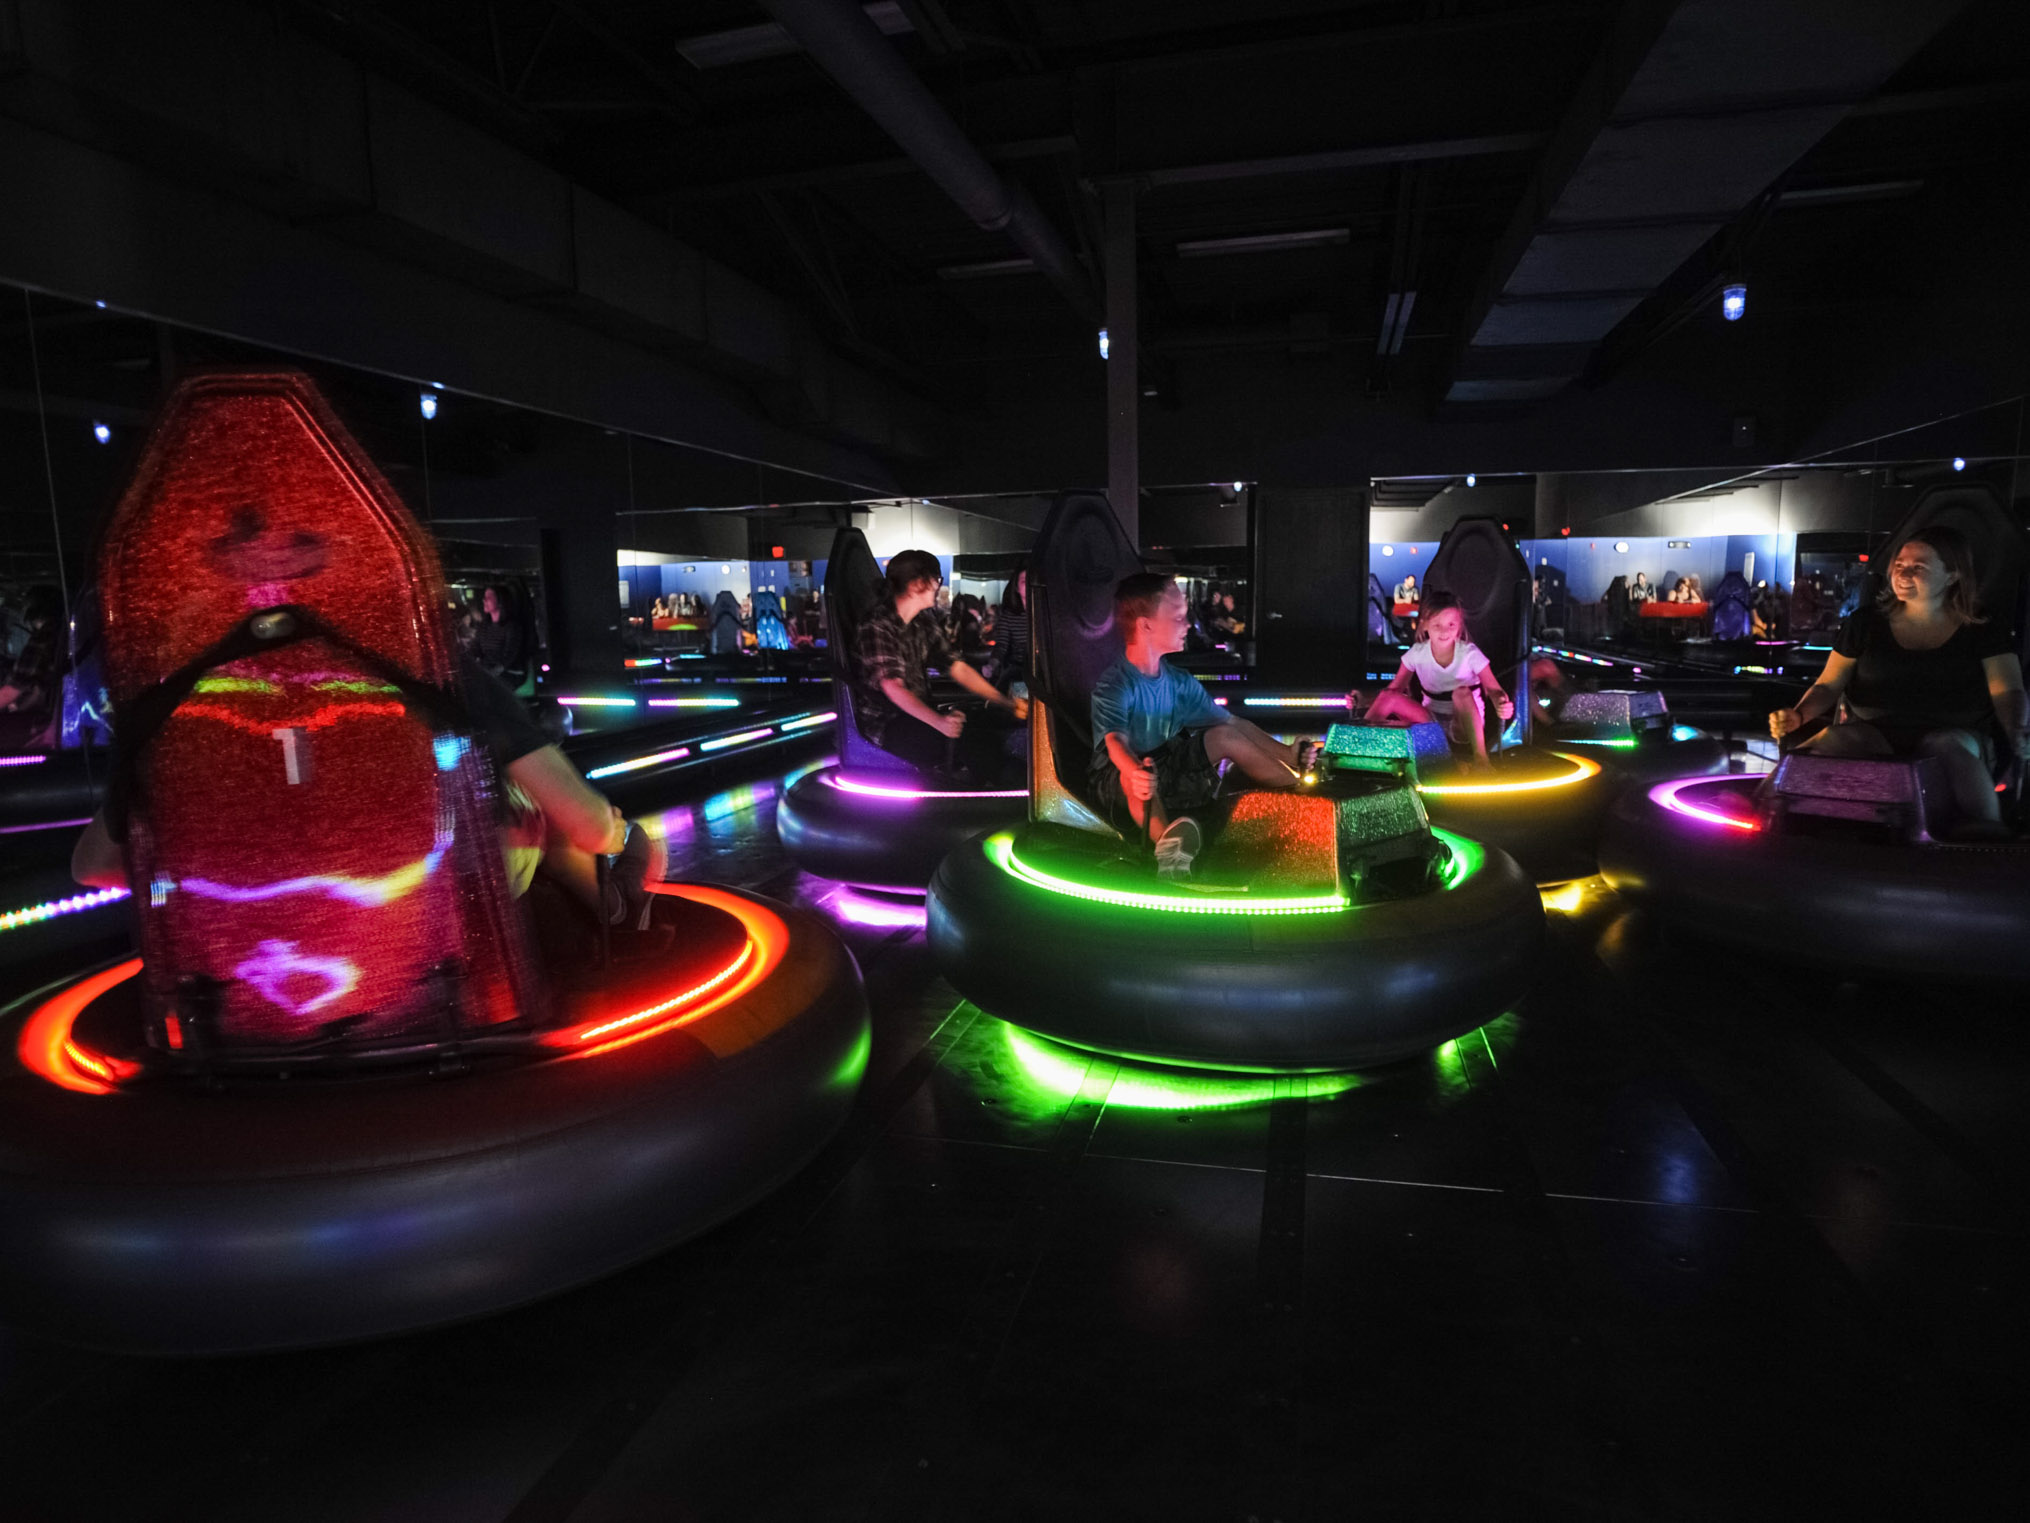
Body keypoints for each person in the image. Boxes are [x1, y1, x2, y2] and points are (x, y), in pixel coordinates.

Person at [72, 658, 665, 944]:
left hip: (262, 952)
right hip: (428, 924)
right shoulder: (440, 668)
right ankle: (614, 908)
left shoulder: (193, 701)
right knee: (595, 833)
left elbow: (92, 867)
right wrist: (608, 833)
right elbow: (587, 826)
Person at [1769, 526, 2026, 834]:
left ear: (1953, 576)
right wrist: (1799, 715)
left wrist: (2016, 729)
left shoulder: (1983, 628)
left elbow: (2007, 691)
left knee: (1944, 743)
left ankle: (1987, 828)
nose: (1903, 574)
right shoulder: (1864, 624)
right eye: (1900, 565)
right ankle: (1768, 804)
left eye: (1919, 568)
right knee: (1835, 737)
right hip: (1876, 731)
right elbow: (1828, 684)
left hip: (1959, 735)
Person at [1091, 573, 1316, 880]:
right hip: (1120, 774)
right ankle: (1167, 846)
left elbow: (1232, 723)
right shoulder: (1116, 683)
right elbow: (1116, 741)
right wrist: (1133, 770)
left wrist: (1289, 754)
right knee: (1138, 778)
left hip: (1166, 762)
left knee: (1225, 734)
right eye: (1179, 617)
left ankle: (1301, 799)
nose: (1187, 625)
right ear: (1146, 625)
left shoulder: (1178, 681)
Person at [849, 547, 1026, 782]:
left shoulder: (923, 623)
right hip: (887, 724)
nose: (938, 586)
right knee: (972, 743)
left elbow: (957, 668)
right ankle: (1006, 794)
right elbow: (893, 688)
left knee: (986, 724)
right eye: (937, 579)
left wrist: (1005, 703)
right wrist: (940, 723)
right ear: (917, 584)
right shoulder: (878, 625)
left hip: (917, 715)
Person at [1347, 593, 1515, 765]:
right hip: (1430, 723)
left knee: (1461, 692)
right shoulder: (1417, 653)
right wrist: (1364, 700)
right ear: (1425, 625)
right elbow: (1394, 690)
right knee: (1388, 696)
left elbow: (1494, 689)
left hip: (1464, 726)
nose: (1445, 631)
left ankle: (1481, 759)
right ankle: (1357, 750)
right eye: (1437, 625)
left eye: (1451, 624)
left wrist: (1501, 703)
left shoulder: (1469, 653)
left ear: (1459, 626)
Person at [472, 584, 529, 687]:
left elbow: (510, 656)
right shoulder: (483, 627)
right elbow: (476, 648)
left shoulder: (512, 627)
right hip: (489, 671)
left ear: (500, 601)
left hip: (510, 672)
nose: (484, 600)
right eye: (484, 597)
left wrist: (492, 672)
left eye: (489, 597)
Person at [993, 570, 1031, 694]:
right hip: (1019, 672)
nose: (1030, 585)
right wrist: (992, 664)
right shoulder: (1009, 617)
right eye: (1025, 581)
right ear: (1017, 588)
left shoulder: (1048, 614)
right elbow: (1001, 645)